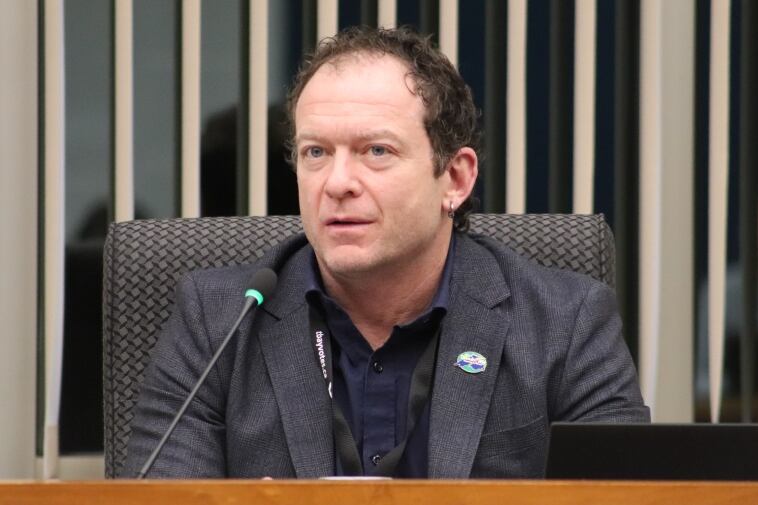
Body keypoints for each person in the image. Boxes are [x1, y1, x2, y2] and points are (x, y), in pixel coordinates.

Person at [122, 26, 649, 479]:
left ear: (456, 178)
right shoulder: (218, 323)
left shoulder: (565, 322)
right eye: (316, 153)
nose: (338, 182)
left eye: (377, 151)